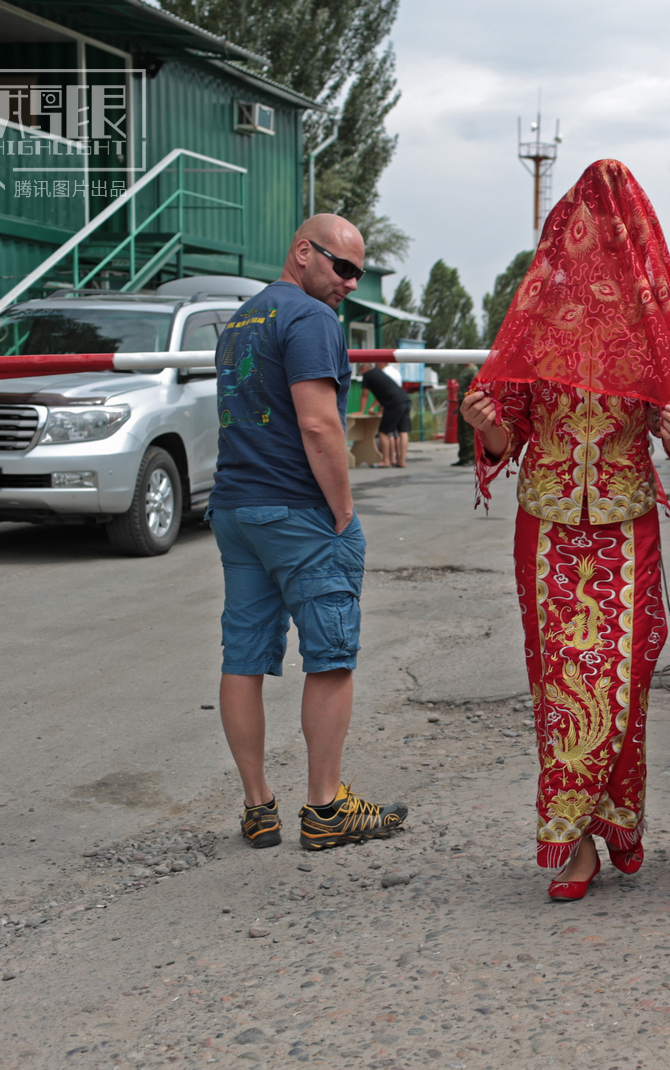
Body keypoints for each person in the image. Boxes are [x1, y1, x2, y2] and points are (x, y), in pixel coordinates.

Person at [461, 159, 670, 901]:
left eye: (611, 240)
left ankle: (620, 822)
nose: (596, 253)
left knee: (623, 685)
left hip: (624, 523)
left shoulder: (654, 330)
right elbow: (503, 440)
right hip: (546, 525)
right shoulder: (531, 329)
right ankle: (573, 839)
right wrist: (486, 431)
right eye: (585, 239)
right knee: (558, 686)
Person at [209, 213, 407, 851]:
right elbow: (320, 426)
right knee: (331, 657)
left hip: (236, 510)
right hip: (296, 512)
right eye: (341, 267)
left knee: (243, 657)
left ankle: (257, 806)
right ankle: (326, 810)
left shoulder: (242, 319)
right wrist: (344, 513)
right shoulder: (311, 318)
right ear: (303, 253)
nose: (350, 282)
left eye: (358, 271)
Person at [358, 361, 410, 467]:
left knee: (383, 432)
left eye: (360, 372)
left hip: (394, 404)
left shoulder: (368, 375)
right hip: (405, 399)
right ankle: (401, 461)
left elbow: (364, 394)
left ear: (363, 369)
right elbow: (385, 392)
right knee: (403, 431)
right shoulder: (379, 373)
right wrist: (379, 411)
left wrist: (361, 411)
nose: (361, 374)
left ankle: (386, 461)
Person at [452, 363, 479, 467]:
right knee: (461, 432)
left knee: (468, 432)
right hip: (461, 402)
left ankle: (471, 458)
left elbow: (474, 387)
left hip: (468, 402)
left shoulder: (473, 370)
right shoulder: (465, 370)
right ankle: (463, 457)